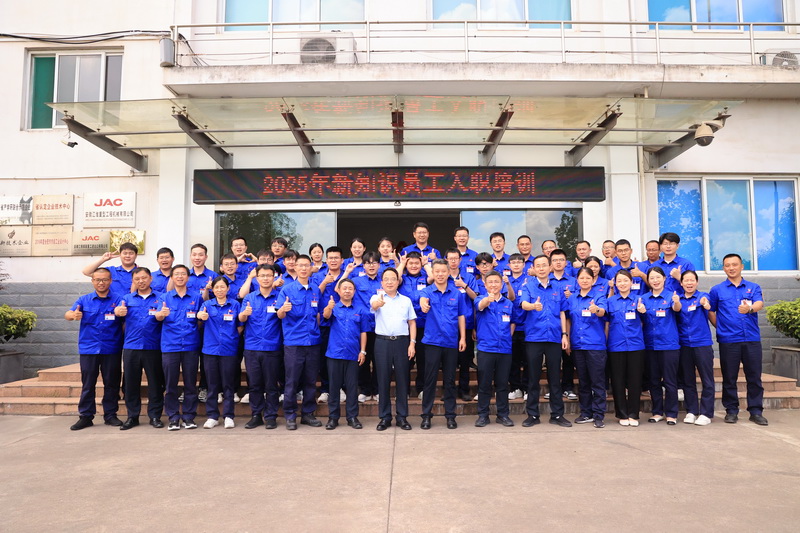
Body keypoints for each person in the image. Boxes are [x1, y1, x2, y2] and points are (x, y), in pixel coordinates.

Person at [709, 253, 768, 426]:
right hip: (728, 340)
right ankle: (731, 411)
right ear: (723, 268)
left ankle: (756, 411)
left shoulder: (753, 287)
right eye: (727, 265)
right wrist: (720, 327)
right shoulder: (717, 290)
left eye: (734, 264)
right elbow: (711, 311)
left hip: (751, 339)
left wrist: (750, 309)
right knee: (729, 377)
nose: (731, 268)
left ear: (742, 266)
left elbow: (759, 304)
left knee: (754, 377)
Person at [64, 268, 124, 430]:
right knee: (88, 383)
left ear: (110, 281)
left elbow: (126, 317)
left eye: (104, 279)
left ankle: (110, 415)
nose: (101, 283)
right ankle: (86, 416)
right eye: (97, 280)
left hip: (111, 348)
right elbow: (68, 314)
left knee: (111, 383)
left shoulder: (119, 300)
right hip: (89, 348)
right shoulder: (84, 300)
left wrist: (121, 313)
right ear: (92, 281)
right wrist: (72, 316)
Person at [519, 255, 572, 428]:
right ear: (533, 269)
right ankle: (532, 415)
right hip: (534, 337)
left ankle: (557, 415)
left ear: (550, 267)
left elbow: (563, 312)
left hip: (554, 337)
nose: (541, 268)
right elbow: (523, 304)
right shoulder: (528, 286)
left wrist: (564, 335)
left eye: (544, 265)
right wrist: (533, 306)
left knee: (555, 378)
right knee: (533, 378)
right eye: (538, 266)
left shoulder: (558, 287)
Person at [114, 267, 164, 430]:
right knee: (131, 383)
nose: (141, 281)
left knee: (155, 383)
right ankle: (132, 416)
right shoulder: (126, 299)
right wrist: (117, 312)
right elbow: (118, 317)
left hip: (153, 346)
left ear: (151, 279)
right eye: (137, 279)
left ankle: (155, 416)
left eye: (144, 278)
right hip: (131, 346)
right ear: (133, 281)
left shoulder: (161, 298)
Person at [419, 259, 467, 429]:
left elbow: (461, 316)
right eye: (437, 271)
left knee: (450, 380)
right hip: (432, 342)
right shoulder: (427, 291)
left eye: (443, 271)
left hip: (451, 342)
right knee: (429, 380)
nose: (440, 274)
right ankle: (426, 416)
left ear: (448, 273)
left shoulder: (457, 293)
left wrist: (463, 338)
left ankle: (450, 416)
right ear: (432, 273)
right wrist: (423, 304)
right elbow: (422, 299)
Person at [276, 254, 323, 430]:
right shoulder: (287, 290)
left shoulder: (315, 289)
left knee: (310, 380)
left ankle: (308, 414)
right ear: (295, 267)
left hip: (313, 342)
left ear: (311, 268)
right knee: (292, 381)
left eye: (306, 265)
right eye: (300, 265)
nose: (303, 268)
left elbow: (318, 314)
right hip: (294, 342)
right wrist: (283, 309)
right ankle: (290, 415)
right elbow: (279, 315)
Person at [155, 264, 202, 430]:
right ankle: (173, 417)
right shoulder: (164, 297)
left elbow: (200, 320)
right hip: (170, 346)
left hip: (190, 345)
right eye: (177, 274)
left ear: (188, 277)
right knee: (170, 385)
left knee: (190, 384)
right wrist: (160, 315)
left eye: (183, 274)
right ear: (172, 278)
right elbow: (158, 317)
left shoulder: (197, 297)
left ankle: (189, 417)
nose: (180, 277)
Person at [371, 268, 417, 431]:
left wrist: (412, 344)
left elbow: (412, 323)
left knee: (402, 380)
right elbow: (374, 306)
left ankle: (402, 417)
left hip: (402, 342)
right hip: (382, 343)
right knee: (383, 380)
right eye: (386, 279)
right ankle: (385, 417)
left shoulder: (406, 300)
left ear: (398, 282)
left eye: (393, 279)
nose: (389, 282)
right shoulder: (376, 297)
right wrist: (379, 304)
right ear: (382, 282)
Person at [238, 265, 283, 430]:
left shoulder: (280, 297)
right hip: (252, 347)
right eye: (262, 276)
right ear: (257, 279)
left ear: (273, 277)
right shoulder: (249, 298)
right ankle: (256, 415)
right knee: (255, 384)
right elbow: (241, 318)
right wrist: (244, 314)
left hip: (272, 347)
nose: (265, 278)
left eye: (268, 275)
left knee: (271, 385)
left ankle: (271, 416)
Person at [323, 279, 368, 430]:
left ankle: (352, 417)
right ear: (339, 291)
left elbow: (363, 332)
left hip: (353, 354)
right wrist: (328, 308)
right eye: (344, 288)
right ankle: (333, 418)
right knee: (334, 387)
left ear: (354, 292)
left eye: (350, 288)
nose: (347, 291)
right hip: (335, 354)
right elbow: (325, 317)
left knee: (352, 387)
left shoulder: (360, 309)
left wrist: (363, 351)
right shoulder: (333, 307)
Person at [566, 267, 608, 428]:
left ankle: (599, 415)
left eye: (587, 278)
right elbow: (568, 319)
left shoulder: (598, 296)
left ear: (592, 280)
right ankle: (586, 413)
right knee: (583, 381)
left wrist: (596, 309)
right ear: (577, 280)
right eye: (581, 278)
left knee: (597, 381)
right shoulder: (572, 298)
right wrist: (567, 338)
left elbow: (603, 312)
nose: (584, 280)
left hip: (595, 345)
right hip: (578, 344)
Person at [197, 276, 242, 429]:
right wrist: (200, 316)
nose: (220, 290)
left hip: (229, 349)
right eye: (217, 287)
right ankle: (212, 416)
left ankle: (229, 416)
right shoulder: (206, 305)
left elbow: (240, 326)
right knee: (212, 385)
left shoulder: (235, 305)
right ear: (212, 289)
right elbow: (199, 318)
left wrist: (231, 338)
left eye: (223, 287)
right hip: (210, 349)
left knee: (228, 384)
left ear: (228, 288)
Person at [640, 267, 682, 425]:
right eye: (652, 278)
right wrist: (641, 311)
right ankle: (657, 412)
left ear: (664, 278)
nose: (655, 281)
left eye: (658, 277)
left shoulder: (671, 296)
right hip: (650, 345)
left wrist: (677, 302)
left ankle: (671, 413)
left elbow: (677, 309)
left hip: (668, 344)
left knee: (670, 381)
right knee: (654, 381)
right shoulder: (643, 298)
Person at [474, 270, 515, 427]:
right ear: (485, 285)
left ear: (501, 284)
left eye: (496, 282)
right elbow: (480, 306)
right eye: (490, 282)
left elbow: (513, 322)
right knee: (484, 384)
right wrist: (488, 299)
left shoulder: (508, 303)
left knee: (502, 384)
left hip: (504, 349)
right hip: (486, 349)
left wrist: (507, 336)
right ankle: (483, 415)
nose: (493, 285)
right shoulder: (480, 298)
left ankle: (503, 415)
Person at [606, 270, 646, 426]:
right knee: (618, 381)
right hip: (616, 345)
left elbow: (646, 320)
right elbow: (606, 323)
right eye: (619, 281)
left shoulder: (639, 299)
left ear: (631, 282)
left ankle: (633, 414)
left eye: (625, 280)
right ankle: (622, 414)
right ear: (615, 284)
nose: (622, 283)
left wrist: (643, 311)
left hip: (636, 345)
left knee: (635, 380)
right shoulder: (610, 301)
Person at [341, 251, 382, 402]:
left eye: (374, 262)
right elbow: (339, 287)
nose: (371, 266)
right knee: (362, 358)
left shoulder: (384, 281)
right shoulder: (356, 281)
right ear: (363, 265)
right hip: (362, 326)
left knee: (379, 360)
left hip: (380, 326)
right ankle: (365, 389)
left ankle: (377, 390)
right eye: (368, 263)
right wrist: (347, 272)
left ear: (379, 265)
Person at [677, 270, 715, 426]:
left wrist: (706, 304)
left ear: (697, 282)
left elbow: (708, 304)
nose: (689, 283)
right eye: (686, 280)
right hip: (684, 344)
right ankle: (691, 411)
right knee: (688, 380)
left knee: (707, 379)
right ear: (681, 283)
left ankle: (706, 413)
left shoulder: (702, 296)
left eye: (692, 280)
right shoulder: (678, 300)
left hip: (702, 344)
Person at [312, 246, 346, 404]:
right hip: (324, 323)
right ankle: (325, 389)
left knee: (342, 356)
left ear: (342, 260)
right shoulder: (318, 276)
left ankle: (341, 388)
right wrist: (325, 282)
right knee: (324, 357)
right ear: (326, 260)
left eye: (336, 258)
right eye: (330, 258)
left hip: (343, 323)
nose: (333, 260)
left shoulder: (348, 275)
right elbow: (313, 295)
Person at [444, 248, 478, 402]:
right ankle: (448, 391)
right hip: (447, 325)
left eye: (455, 258)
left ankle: (464, 390)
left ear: (460, 260)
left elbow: (475, 297)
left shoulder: (468, 277)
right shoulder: (443, 277)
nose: (453, 261)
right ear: (446, 260)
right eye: (450, 258)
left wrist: (464, 285)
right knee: (448, 361)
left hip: (466, 324)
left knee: (464, 361)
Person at [397, 251, 429, 398]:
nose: (414, 266)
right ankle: (405, 390)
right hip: (405, 325)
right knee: (405, 360)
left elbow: (433, 278)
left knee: (423, 358)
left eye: (417, 263)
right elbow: (395, 277)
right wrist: (402, 263)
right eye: (411, 263)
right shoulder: (402, 278)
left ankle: (421, 388)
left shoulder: (426, 277)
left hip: (423, 324)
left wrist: (426, 264)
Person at [507, 253, 529, 401]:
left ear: (523, 264)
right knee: (512, 360)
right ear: (509, 265)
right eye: (513, 262)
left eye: (519, 262)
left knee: (528, 360)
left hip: (527, 326)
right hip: (510, 326)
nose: (516, 265)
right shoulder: (505, 281)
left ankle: (527, 388)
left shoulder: (529, 281)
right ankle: (515, 388)